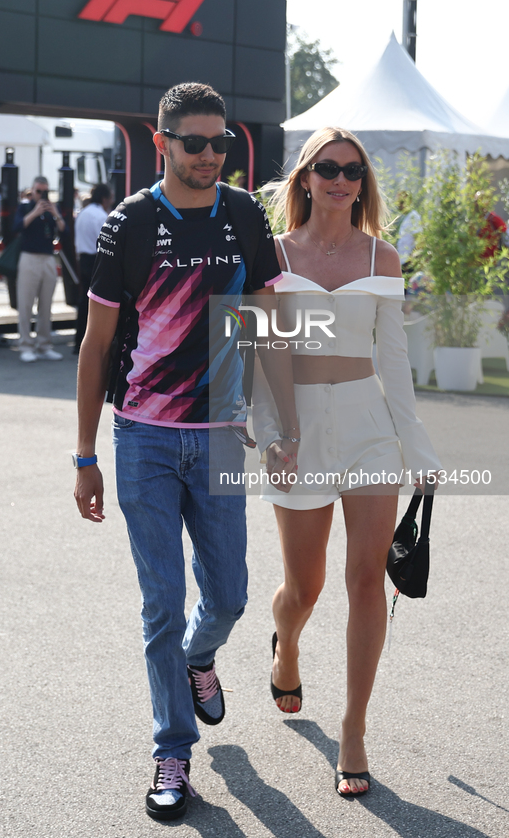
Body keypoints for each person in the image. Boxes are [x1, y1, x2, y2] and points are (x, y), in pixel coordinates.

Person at [74, 83, 297, 821]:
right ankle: (172, 750)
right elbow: (97, 342)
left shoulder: (243, 215)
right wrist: (84, 454)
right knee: (161, 605)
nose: (209, 155)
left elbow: (267, 329)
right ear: (163, 142)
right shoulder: (131, 222)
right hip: (141, 435)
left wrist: (283, 425)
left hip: (221, 436)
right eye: (194, 142)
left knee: (229, 595)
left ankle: (201, 658)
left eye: (220, 142)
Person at [252, 126, 442, 798]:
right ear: (304, 177)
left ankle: (353, 727)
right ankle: (288, 646)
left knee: (366, 580)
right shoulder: (271, 251)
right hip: (298, 426)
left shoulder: (381, 259)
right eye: (327, 167)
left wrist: (417, 448)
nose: (339, 178)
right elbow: (261, 350)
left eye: (352, 170)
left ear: (362, 182)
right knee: (302, 590)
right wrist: (273, 431)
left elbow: (392, 360)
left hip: (367, 428)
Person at [13, 176, 66, 362]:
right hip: (29, 258)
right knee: (25, 304)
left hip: (48, 258)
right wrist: (35, 212)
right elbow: (17, 226)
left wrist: (55, 213)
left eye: (45, 191)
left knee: (46, 305)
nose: (41, 195)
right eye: (38, 191)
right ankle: (26, 345)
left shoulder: (53, 209)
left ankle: (44, 345)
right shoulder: (25, 207)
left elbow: (62, 229)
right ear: (32, 191)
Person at [73, 183, 113, 354]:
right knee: (99, 303)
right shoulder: (101, 216)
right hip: (97, 260)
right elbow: (106, 242)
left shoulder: (83, 213)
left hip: (83, 260)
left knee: (83, 302)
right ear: (104, 198)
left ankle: (78, 342)